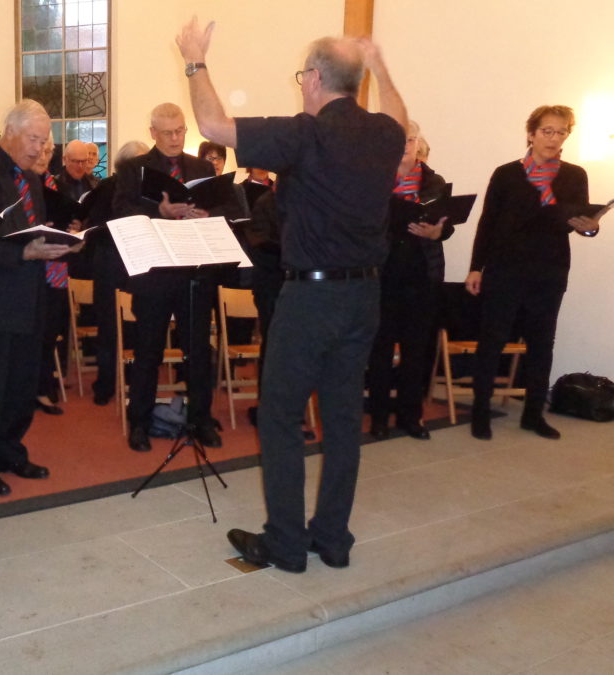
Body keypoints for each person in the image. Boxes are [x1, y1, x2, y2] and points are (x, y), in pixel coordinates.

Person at [177, 18, 407, 573]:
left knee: (280, 417)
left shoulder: (304, 133)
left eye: (303, 74)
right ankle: (332, 539)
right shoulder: (383, 133)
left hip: (311, 300)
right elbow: (399, 114)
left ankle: (284, 543)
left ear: (313, 79)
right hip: (365, 297)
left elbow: (211, 122)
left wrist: (193, 59)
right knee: (343, 420)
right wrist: (378, 63)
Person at [0, 99, 78, 496]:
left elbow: (34, 228)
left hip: (30, 292)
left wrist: (62, 243)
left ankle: (10, 449)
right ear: (9, 131)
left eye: (44, 142)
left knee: (24, 382)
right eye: (34, 139)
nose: (40, 149)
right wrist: (25, 251)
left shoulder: (31, 177)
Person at [465, 105, 601, 441]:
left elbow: (577, 222)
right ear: (531, 133)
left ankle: (532, 415)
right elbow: (488, 223)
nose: (554, 139)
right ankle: (480, 414)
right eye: (547, 131)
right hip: (505, 268)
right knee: (492, 341)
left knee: (542, 344)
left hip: (550, 270)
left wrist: (590, 227)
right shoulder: (507, 173)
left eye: (561, 132)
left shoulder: (574, 175)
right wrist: (475, 268)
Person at [112, 102, 221, 452]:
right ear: (153, 134)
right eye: (168, 133)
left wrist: (205, 214)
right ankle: (140, 422)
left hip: (194, 272)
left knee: (199, 351)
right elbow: (120, 212)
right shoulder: (134, 169)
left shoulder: (202, 167)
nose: (175, 138)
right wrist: (157, 211)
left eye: (180, 131)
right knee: (148, 351)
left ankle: (201, 419)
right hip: (155, 273)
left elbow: (223, 210)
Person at [367, 121, 452, 441]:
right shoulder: (373, 180)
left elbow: (447, 223)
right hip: (382, 275)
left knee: (416, 351)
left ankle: (410, 416)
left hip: (421, 276)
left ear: (419, 144)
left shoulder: (434, 182)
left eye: (411, 139)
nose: (405, 144)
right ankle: (378, 416)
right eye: (398, 139)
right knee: (380, 350)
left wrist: (437, 231)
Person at [85, 140, 148, 406]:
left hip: (140, 261)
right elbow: (96, 227)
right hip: (111, 262)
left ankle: (134, 378)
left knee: (137, 324)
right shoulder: (108, 187)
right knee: (110, 325)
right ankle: (107, 382)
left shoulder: (149, 191)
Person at [34, 133, 67, 415]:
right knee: (34, 333)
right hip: (31, 269)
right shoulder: (22, 182)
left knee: (49, 333)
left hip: (56, 267)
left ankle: (43, 387)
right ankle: (34, 389)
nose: (44, 156)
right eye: (42, 150)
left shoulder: (51, 182)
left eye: (49, 151)